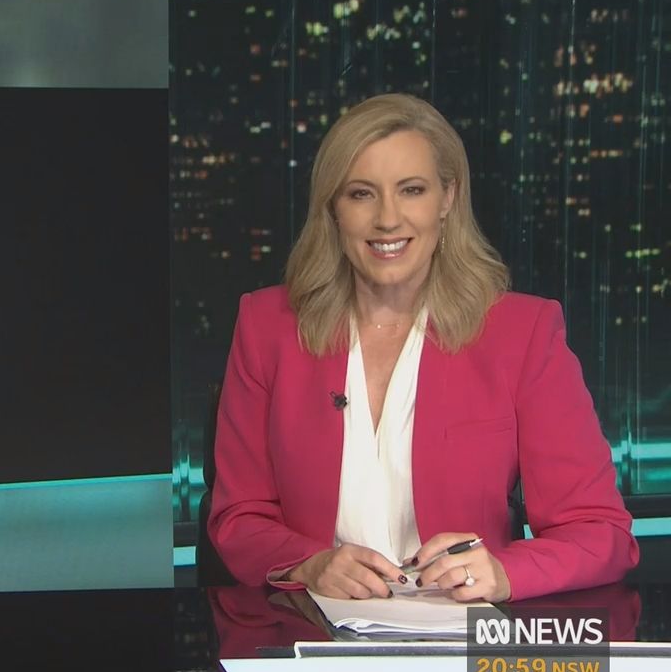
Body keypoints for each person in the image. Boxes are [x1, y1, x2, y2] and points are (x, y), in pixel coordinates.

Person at [207, 93, 638, 603]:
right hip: (313, 629)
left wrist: (504, 572)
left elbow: (601, 532)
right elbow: (239, 517)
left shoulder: (522, 333)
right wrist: (310, 564)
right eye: (361, 194)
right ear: (334, 208)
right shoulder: (267, 327)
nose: (388, 220)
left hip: (462, 633)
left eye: (411, 190)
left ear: (447, 198)